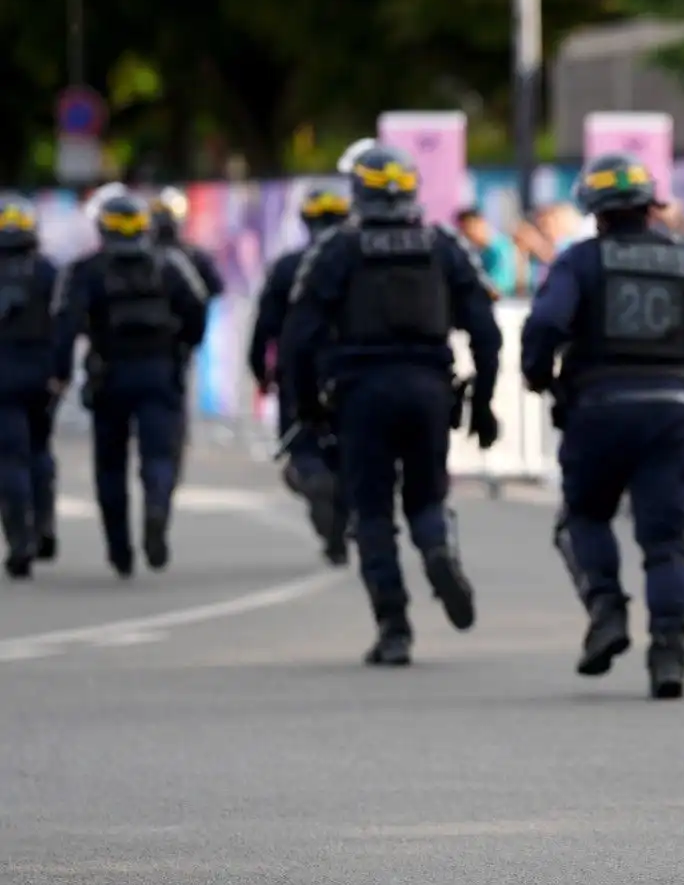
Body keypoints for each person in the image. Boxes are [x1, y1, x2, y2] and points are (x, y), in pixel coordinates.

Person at [521, 153, 684, 693]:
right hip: (672, 410)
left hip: (596, 408)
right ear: (652, 207)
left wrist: (540, 379)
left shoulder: (579, 261)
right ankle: (668, 654)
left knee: (586, 516)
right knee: (666, 538)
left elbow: (547, 323)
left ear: (594, 211)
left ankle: (606, 612)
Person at [282, 144, 500, 666]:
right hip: (429, 390)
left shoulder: (338, 249)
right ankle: (439, 550)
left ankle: (394, 627)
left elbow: (297, 338)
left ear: (359, 193)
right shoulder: (442, 246)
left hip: (361, 396)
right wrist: (485, 401)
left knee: (372, 512)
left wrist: (307, 407)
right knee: (426, 497)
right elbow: (485, 330)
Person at [53, 192, 208, 576]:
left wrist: (60, 374)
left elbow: (64, 324)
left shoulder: (86, 270)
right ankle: (156, 507)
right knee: (159, 455)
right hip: (159, 372)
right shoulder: (169, 264)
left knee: (110, 465)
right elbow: (198, 308)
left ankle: (119, 551)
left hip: (110, 375)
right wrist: (182, 349)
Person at [248, 183, 353, 564]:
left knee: (305, 449)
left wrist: (260, 369)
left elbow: (264, 326)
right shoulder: (356, 262)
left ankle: (320, 498)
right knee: (348, 449)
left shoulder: (288, 266)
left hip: (299, 370)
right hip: (351, 369)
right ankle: (340, 521)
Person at [0, 194, 61, 578]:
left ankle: (20, 540)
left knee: (10, 459)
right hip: (41, 378)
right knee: (38, 451)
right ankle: (44, 525)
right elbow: (65, 322)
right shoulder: (47, 272)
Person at [150, 187, 224, 478]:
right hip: (174, 345)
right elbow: (211, 293)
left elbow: (211, 293)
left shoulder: (179, 257)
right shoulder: (190, 256)